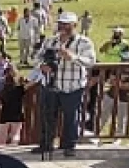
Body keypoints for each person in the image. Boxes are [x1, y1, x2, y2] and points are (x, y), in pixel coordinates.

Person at [31, 11, 96, 157]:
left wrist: (72, 57)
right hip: (50, 85)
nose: (63, 27)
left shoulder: (84, 42)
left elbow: (90, 62)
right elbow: (36, 57)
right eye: (61, 23)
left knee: (71, 117)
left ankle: (69, 145)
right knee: (47, 116)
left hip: (73, 86)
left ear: (74, 25)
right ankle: (46, 144)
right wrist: (42, 65)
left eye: (67, 24)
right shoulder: (51, 41)